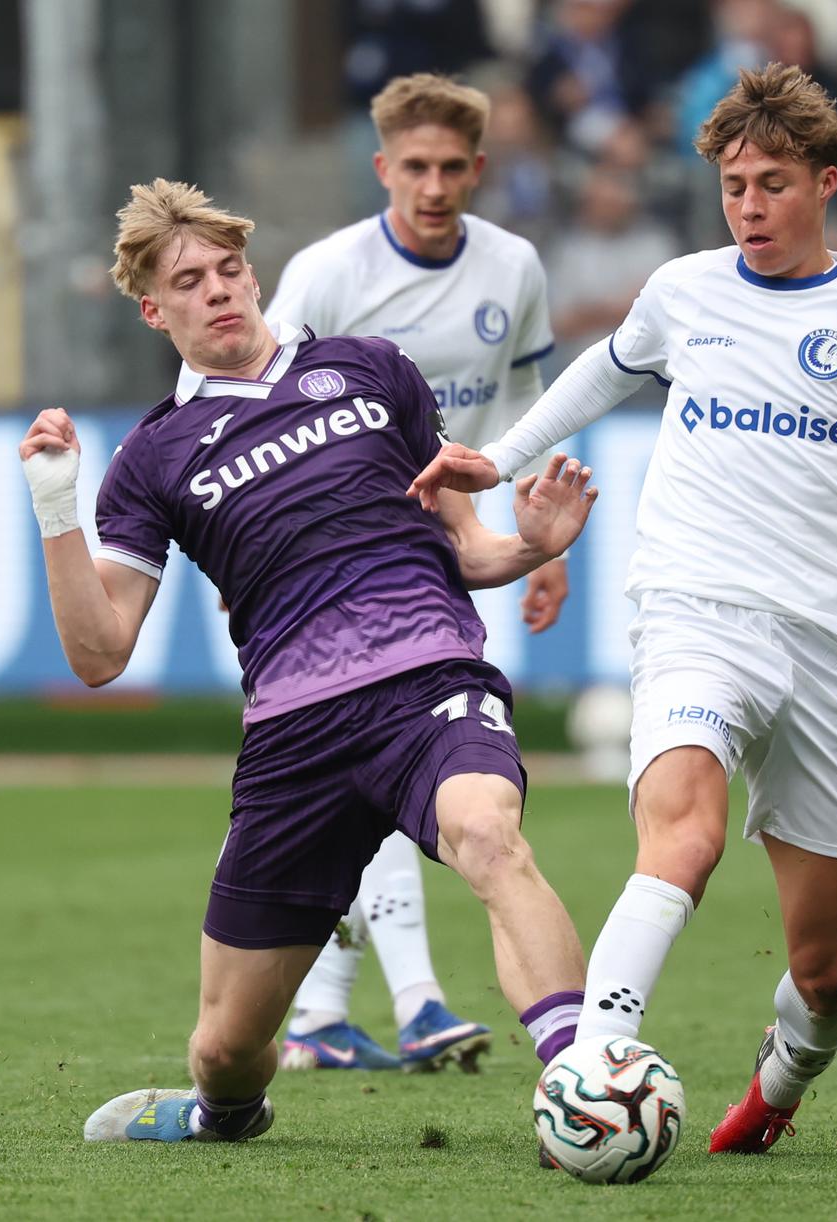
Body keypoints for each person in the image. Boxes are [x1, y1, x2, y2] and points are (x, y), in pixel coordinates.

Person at [405, 63, 837, 1156]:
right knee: (685, 833)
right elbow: (605, 371)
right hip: (694, 611)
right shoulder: (684, 290)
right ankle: (593, 1069)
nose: (749, 207)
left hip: (824, 650)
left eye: (773, 184)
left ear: (825, 183)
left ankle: (780, 1082)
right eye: (733, 186)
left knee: (824, 970)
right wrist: (498, 456)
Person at [21, 179, 592, 1144]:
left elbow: (466, 548)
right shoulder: (154, 457)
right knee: (222, 1051)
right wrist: (54, 506)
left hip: (428, 686)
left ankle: (588, 1080)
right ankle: (222, 1117)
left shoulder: (372, 370)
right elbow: (99, 653)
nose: (218, 290)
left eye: (228, 269)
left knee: (490, 836)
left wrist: (532, 545)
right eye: (189, 282)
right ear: (154, 311)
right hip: (295, 738)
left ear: (253, 275)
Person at [264, 72, 567, 1075]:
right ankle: (420, 1000)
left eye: (450, 168)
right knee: (393, 755)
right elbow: (241, 399)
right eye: (414, 167)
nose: (433, 187)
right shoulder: (326, 274)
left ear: (478, 169)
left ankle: (320, 1015)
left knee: (378, 772)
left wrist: (542, 544)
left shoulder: (513, 266)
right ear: (382, 166)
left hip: (452, 541)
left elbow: (524, 401)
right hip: (338, 552)